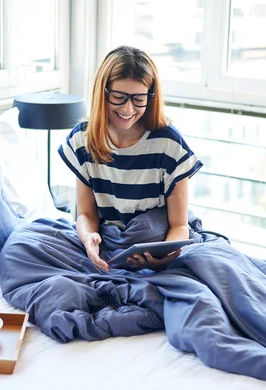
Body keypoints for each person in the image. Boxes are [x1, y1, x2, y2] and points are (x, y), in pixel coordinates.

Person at [58, 46, 203, 273]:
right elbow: (86, 214)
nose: (128, 108)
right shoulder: (82, 139)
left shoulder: (169, 144)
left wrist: (164, 255)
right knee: (22, 245)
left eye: (138, 99)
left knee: (146, 231)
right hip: (108, 238)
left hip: (155, 237)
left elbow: (179, 225)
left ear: (151, 97)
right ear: (103, 93)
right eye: (118, 97)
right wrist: (88, 238)